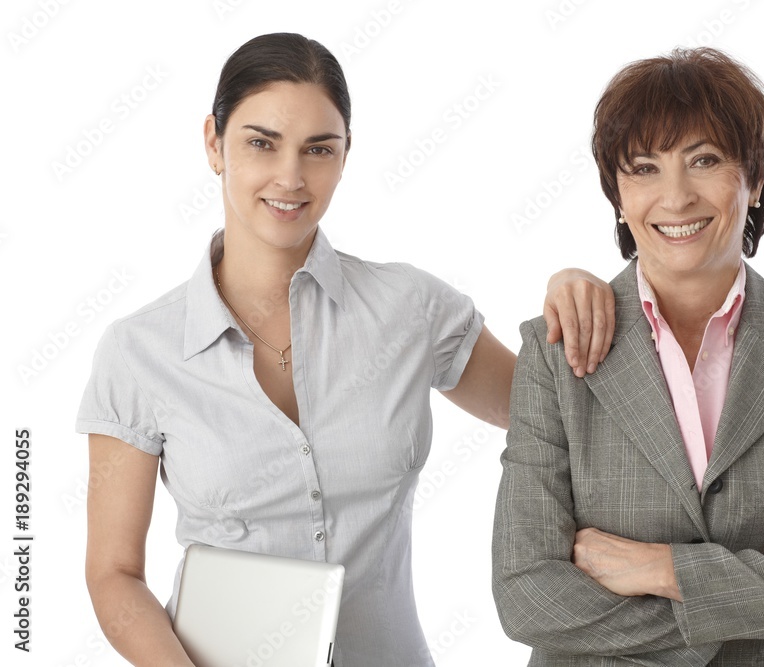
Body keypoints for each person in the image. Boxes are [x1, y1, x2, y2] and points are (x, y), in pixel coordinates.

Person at [76, 32, 617, 666]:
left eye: (318, 149)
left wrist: (567, 291)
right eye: (261, 142)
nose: (290, 176)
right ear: (213, 143)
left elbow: (563, 419)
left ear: (345, 155)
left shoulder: (410, 308)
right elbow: (113, 574)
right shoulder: (138, 352)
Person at [492, 47, 764, 665]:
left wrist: (669, 570)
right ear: (618, 196)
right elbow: (528, 599)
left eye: (704, 160)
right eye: (644, 168)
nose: (675, 198)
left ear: (755, 178)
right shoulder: (555, 351)